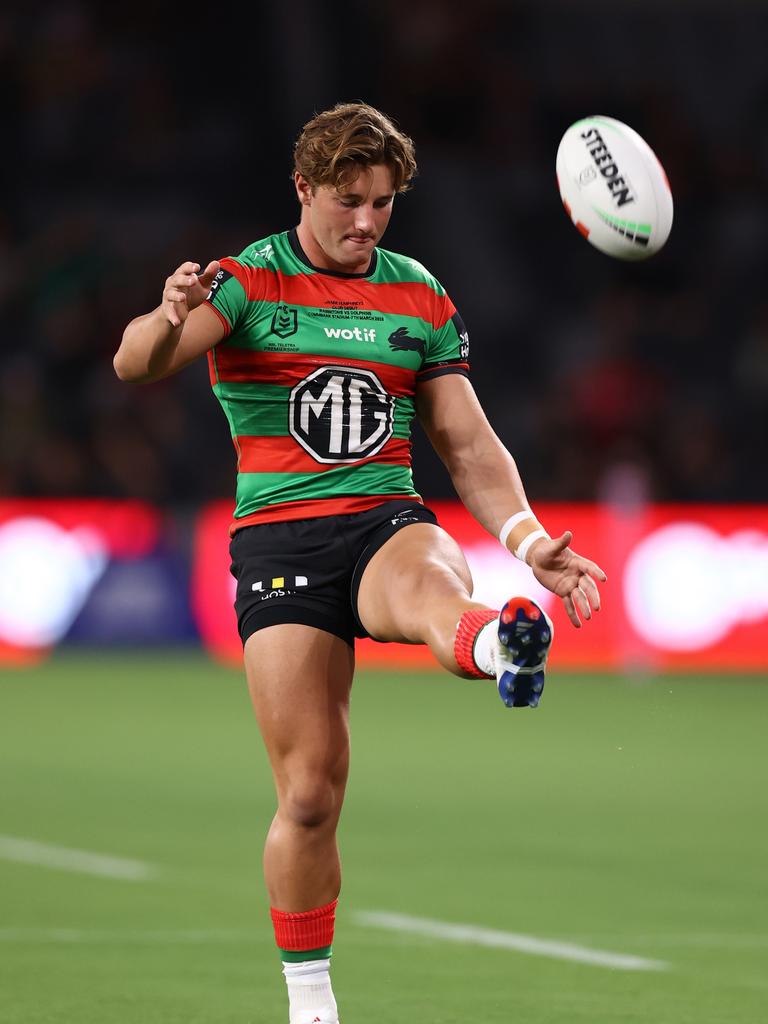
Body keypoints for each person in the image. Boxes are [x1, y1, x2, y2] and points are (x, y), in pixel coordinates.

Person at [114, 101, 606, 1024]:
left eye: (383, 203)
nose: (367, 222)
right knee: (308, 793)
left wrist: (533, 543)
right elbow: (138, 364)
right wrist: (164, 311)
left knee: (431, 586)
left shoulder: (417, 293)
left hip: (383, 518)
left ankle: (501, 645)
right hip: (281, 542)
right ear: (303, 189)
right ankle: (312, 1004)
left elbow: (466, 445)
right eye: (349, 201)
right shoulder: (246, 281)